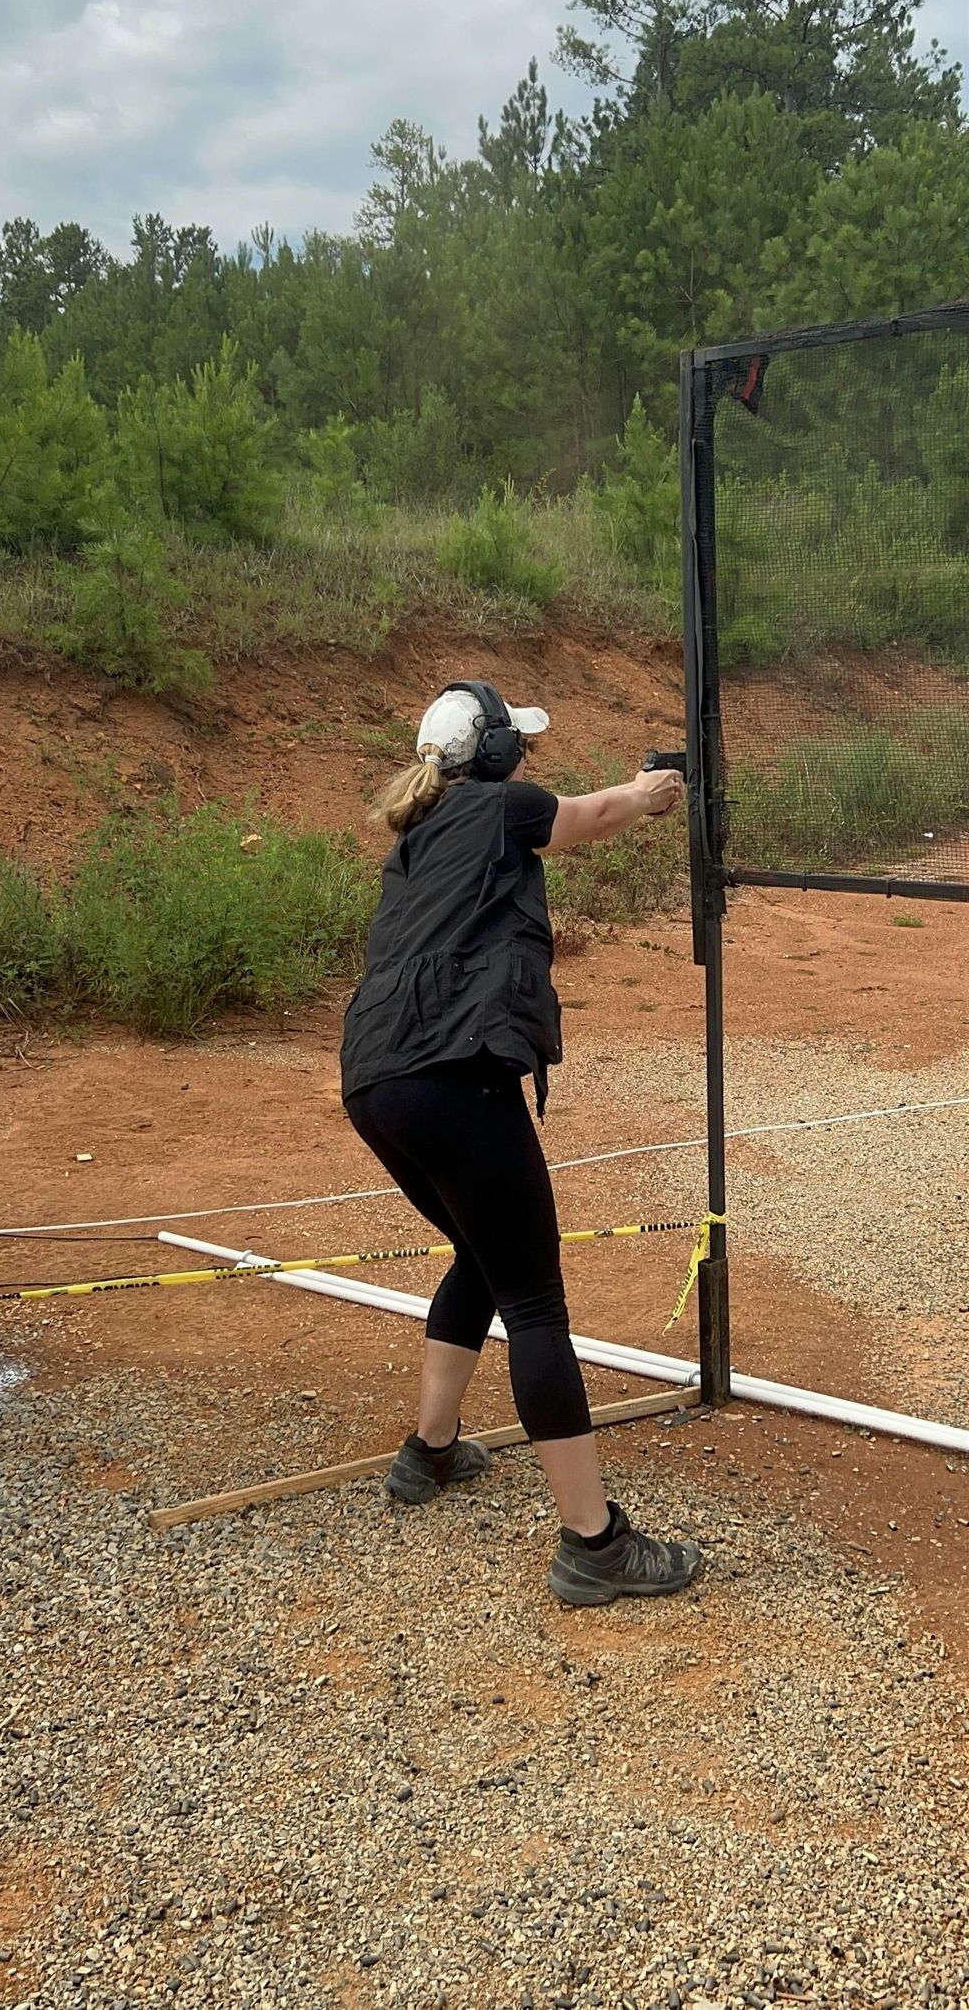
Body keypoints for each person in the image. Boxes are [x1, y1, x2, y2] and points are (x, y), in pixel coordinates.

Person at [341, 681, 702, 1607]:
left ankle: (428, 1453)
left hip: (374, 1079)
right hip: (451, 1073)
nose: (526, 759)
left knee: (479, 1246)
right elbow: (597, 813)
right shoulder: (503, 806)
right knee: (535, 1297)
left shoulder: (414, 839)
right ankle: (595, 1542)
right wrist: (653, 791)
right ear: (494, 756)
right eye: (519, 745)